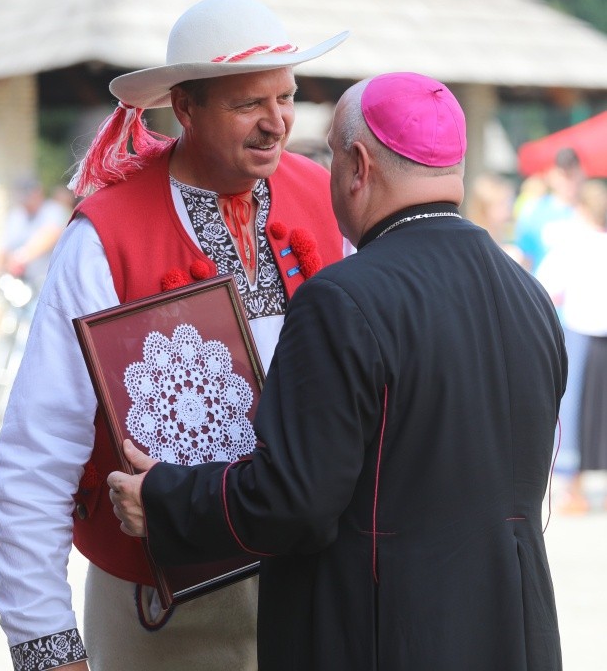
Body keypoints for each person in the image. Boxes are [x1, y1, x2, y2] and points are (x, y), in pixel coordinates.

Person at [109, 72, 566, 671]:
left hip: (383, 635)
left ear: (357, 164)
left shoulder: (341, 299)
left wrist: (165, 498)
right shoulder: (528, 295)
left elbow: (295, 499)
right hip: (511, 635)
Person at [0, 0, 348, 671]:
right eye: (249, 104)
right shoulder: (104, 237)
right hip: (159, 609)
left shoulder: (326, 198)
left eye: (287, 97)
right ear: (185, 108)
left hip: (314, 588)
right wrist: (46, 645)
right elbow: (39, 454)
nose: (277, 123)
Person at [536, 178, 607, 511]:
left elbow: (545, 286)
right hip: (596, 331)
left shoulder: (572, 245)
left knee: (575, 411)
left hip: (580, 331)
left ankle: (574, 489)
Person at [0, 177, 71, 292]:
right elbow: (4, 248)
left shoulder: (53, 210)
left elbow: (50, 234)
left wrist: (20, 258)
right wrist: (3, 267)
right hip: (21, 286)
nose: (28, 198)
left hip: (48, 283)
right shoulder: (17, 215)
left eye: (32, 193)